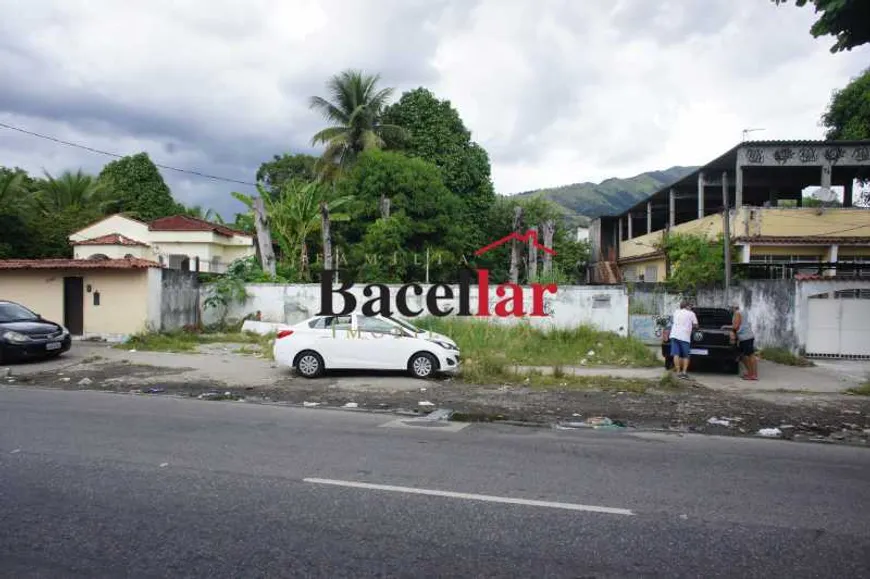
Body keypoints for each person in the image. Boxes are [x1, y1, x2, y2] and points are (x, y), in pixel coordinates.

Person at [723, 304, 758, 381]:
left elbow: (736, 326)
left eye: (731, 308)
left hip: (746, 337)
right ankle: (750, 373)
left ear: (733, 308)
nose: (730, 309)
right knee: (744, 356)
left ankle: (753, 375)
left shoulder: (737, 313)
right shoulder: (741, 312)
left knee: (749, 355)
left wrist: (726, 326)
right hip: (745, 337)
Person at [670, 300, 698, 379]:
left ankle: (678, 372)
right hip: (684, 336)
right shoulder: (691, 313)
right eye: (690, 306)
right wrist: (694, 327)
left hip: (674, 335)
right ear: (687, 306)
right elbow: (696, 325)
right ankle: (684, 372)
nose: (691, 308)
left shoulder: (676, 312)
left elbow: (674, 321)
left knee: (676, 354)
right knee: (686, 355)